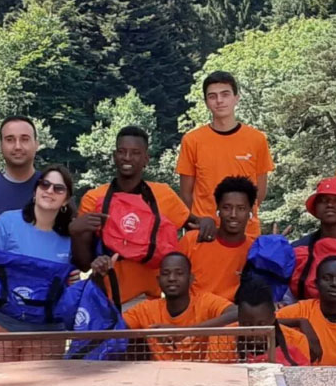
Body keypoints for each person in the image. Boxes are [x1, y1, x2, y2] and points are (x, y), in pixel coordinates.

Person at [74, 127, 196, 305]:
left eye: (135, 153)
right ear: (114, 156)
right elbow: (83, 263)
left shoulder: (164, 194)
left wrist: (208, 222)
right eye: (122, 152)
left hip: (148, 301)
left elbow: (196, 227)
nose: (127, 158)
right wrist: (76, 233)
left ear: (146, 158)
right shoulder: (94, 198)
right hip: (105, 299)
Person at [0, 165, 82, 359]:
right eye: (45, 185)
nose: (49, 191)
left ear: (66, 199)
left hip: (47, 333)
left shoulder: (71, 237)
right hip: (0, 325)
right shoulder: (6, 222)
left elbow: (73, 282)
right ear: (35, 190)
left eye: (58, 188)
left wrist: (73, 282)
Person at [177, 71, 275, 234]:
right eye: (212, 96)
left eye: (225, 94)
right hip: (205, 230)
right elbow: (186, 193)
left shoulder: (257, 139)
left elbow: (260, 191)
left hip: (246, 231)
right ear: (206, 102)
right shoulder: (192, 140)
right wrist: (196, 221)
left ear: (236, 98)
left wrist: (241, 215)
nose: (219, 101)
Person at [123, 252, 236, 361]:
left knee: (228, 330)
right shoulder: (146, 309)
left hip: (202, 374)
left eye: (179, 273)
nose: (172, 278)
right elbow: (116, 325)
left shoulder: (205, 302)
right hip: (160, 375)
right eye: (166, 273)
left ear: (191, 279)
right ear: (158, 280)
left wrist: (184, 332)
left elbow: (236, 313)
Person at [183, 176, 257, 302]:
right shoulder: (193, 240)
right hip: (193, 316)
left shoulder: (254, 250)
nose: (233, 215)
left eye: (241, 208)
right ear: (218, 209)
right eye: (227, 207)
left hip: (233, 317)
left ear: (250, 211)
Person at [235, 274, 316, 365]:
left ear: (273, 317)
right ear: (239, 319)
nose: (255, 332)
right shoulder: (222, 338)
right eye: (247, 325)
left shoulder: (297, 341)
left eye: (261, 324)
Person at [0, 116, 43, 219]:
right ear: (0, 145)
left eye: (25, 139)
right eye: (10, 140)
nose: (18, 146)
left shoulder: (52, 188)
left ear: (36, 144)